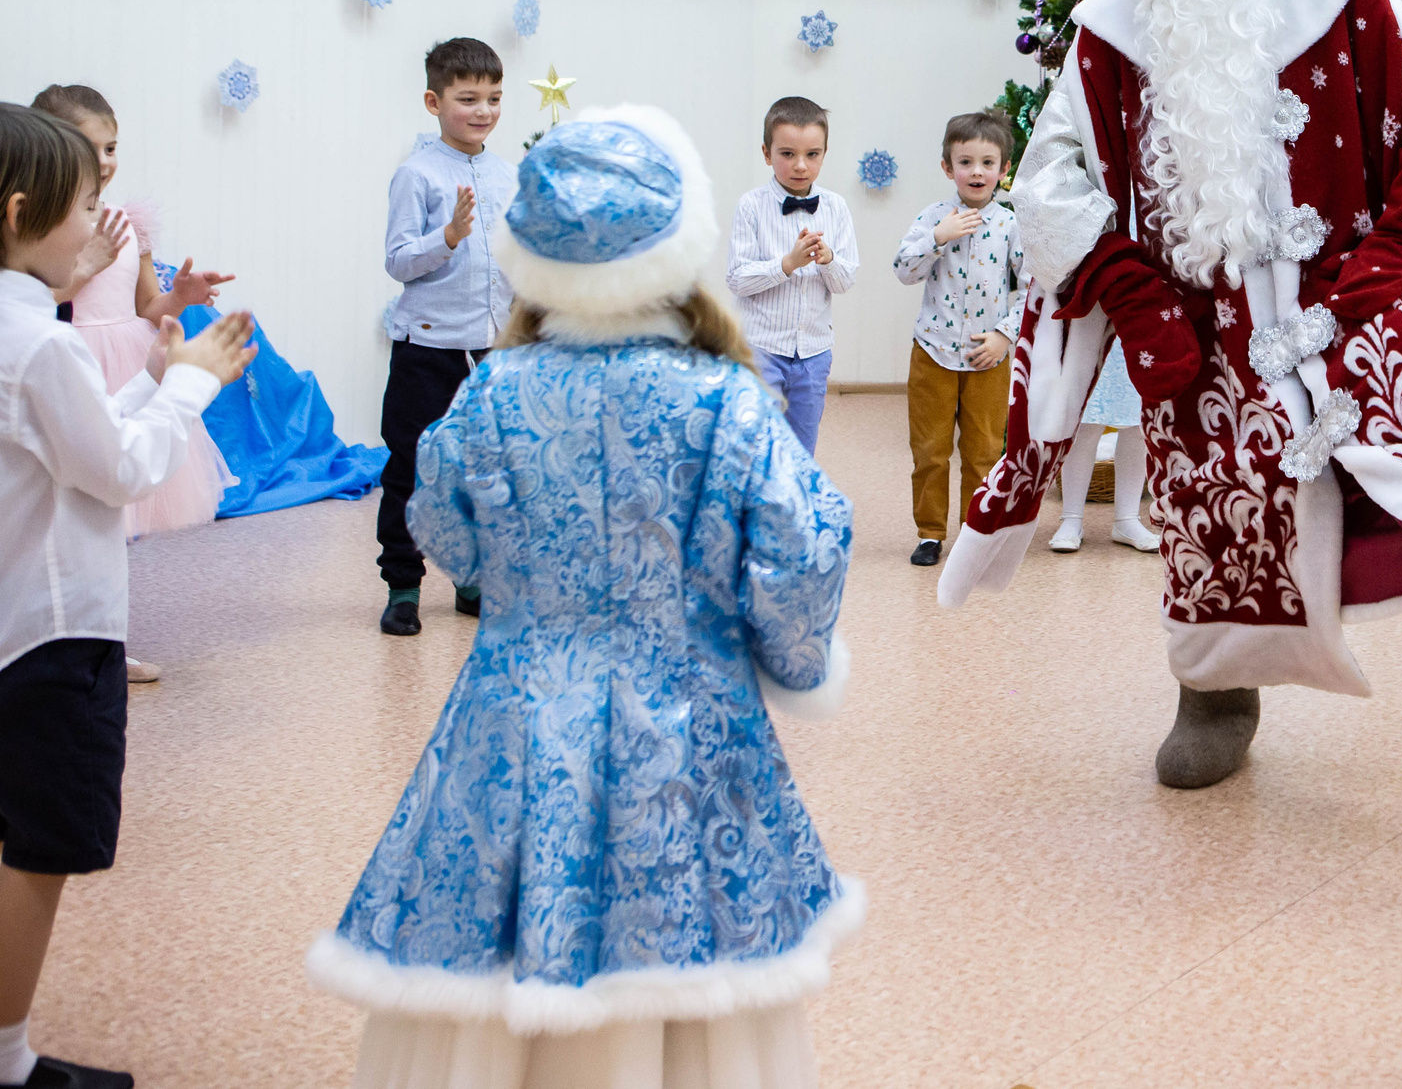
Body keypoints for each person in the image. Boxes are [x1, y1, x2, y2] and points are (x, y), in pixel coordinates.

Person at [937, 0, 1402, 790]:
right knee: (1215, 508)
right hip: (1200, 329)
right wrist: (1133, 297)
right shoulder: (1109, 31)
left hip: (1364, 300)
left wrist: (1395, 248)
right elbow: (1052, 186)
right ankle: (1216, 695)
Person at [306, 106, 858, 1088]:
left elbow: (442, 527)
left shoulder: (492, 391)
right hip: (691, 729)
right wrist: (794, 660)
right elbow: (803, 552)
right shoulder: (725, 399)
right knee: (698, 971)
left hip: (513, 718)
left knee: (491, 966)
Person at [2, 103, 252, 1089]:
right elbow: (122, 470)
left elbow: (75, 449)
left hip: (20, 625)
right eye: (84, 208)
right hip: (57, 639)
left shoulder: (25, 340)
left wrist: (156, 374)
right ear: (24, 212)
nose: (98, 230)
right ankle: (11, 1061)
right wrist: (189, 386)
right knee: (40, 854)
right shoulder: (40, 346)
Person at [29, 86, 236, 543]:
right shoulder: (42, 225)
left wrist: (181, 295)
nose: (104, 162)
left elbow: (147, 306)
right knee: (83, 479)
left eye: (111, 148)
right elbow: (38, 299)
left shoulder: (130, 221)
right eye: (90, 149)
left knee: (130, 481)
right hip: (78, 352)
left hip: (131, 353)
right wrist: (90, 263)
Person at [376, 38, 513, 638]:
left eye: (493, 98)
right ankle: (403, 586)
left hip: (490, 351)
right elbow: (399, 261)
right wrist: (450, 236)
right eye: (467, 98)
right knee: (410, 469)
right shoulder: (416, 174)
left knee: (483, 470)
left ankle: (473, 576)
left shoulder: (507, 174)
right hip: (426, 351)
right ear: (434, 101)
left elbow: (513, 257)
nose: (482, 110)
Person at [894, 111, 1024, 568]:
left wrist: (1005, 336)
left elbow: (1032, 291)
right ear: (948, 168)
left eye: (987, 162)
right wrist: (937, 237)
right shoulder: (933, 218)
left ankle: (975, 534)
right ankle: (930, 533)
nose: (976, 171)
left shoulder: (1011, 225)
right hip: (932, 351)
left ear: (1004, 169)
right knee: (929, 450)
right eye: (965, 162)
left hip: (987, 357)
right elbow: (904, 271)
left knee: (983, 452)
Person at [727, 95, 858, 457]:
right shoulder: (751, 206)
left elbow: (846, 281)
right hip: (761, 347)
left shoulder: (836, 208)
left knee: (802, 448)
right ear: (767, 154)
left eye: (812, 154)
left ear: (824, 153)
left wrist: (829, 259)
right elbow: (737, 277)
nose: (800, 165)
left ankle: (795, 511)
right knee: (755, 445)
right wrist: (786, 264)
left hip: (814, 352)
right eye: (787, 154)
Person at [1051, 343, 1159, 553]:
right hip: (1094, 325)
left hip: (1140, 328)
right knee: (1085, 420)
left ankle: (1127, 517)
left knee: (1138, 421)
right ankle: (1071, 518)